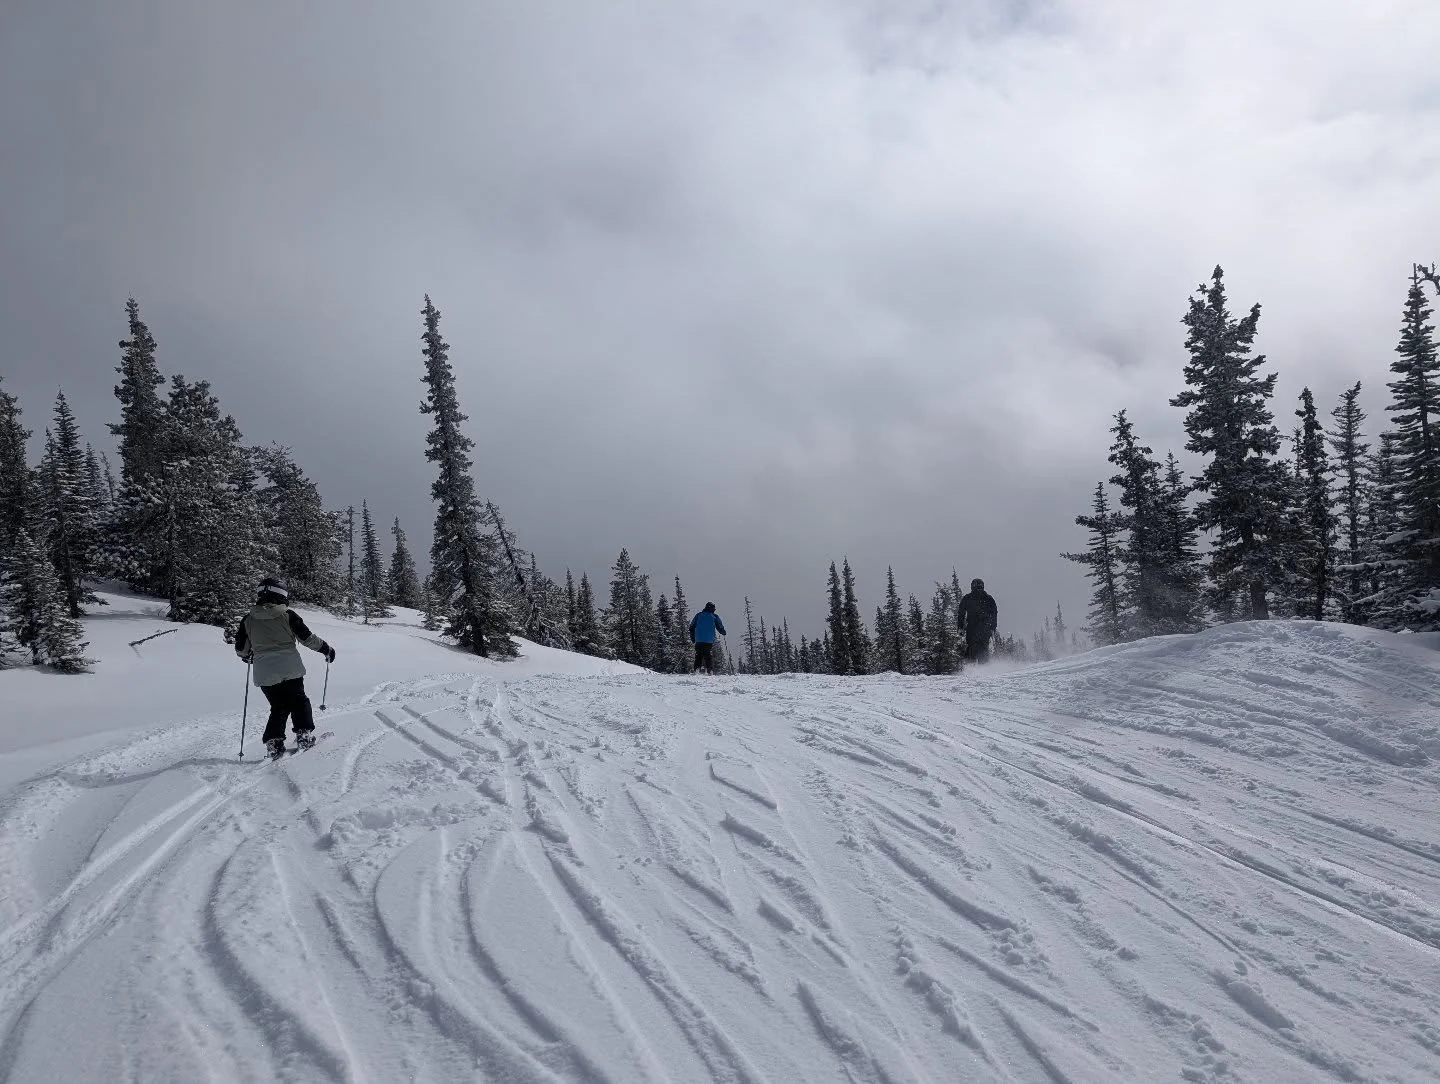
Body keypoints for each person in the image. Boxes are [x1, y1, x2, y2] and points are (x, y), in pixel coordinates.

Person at [235, 577, 336, 758]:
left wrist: (248, 656)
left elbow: (241, 649)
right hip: (290, 669)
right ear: (281, 594)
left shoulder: (248, 620)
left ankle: (274, 742)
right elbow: (307, 638)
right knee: (299, 701)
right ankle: (304, 735)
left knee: (279, 706)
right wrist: (326, 649)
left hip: (264, 673)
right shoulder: (288, 615)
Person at [958, 577, 998, 663]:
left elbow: (961, 613)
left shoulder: (968, 598)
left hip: (972, 627)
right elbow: (994, 614)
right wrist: (993, 627)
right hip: (984, 628)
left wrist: (960, 627)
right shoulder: (988, 598)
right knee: (983, 648)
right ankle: (983, 669)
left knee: (971, 648)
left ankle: (970, 669)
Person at [687, 602, 727, 675]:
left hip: (698, 639)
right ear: (712, 609)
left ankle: (697, 669)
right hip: (709, 639)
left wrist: (693, 638)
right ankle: (709, 670)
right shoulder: (714, 616)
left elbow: (692, 627)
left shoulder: (698, 615)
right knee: (707, 654)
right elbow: (719, 627)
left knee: (698, 654)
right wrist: (723, 631)